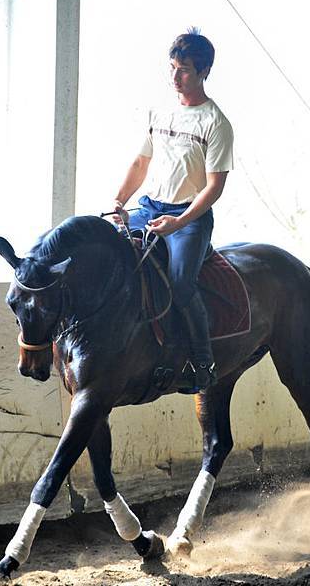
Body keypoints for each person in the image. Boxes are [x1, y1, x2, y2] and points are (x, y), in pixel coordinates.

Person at [113, 28, 234, 394]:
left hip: (189, 220)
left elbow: (214, 187)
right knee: (108, 249)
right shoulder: (160, 112)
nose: (175, 76)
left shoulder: (216, 122)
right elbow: (140, 162)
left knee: (181, 285)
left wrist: (179, 221)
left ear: (204, 71)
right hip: (149, 208)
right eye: (172, 67)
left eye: (184, 69)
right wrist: (119, 202)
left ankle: (204, 363)